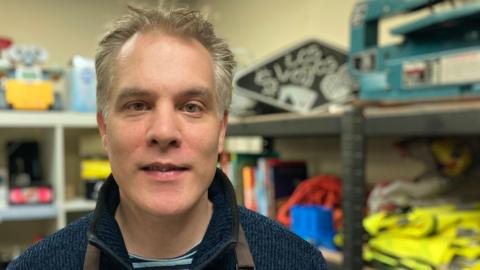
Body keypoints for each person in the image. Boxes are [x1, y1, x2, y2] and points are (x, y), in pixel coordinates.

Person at [8, 6, 327, 270]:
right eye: (137, 105)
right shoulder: (37, 265)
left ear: (221, 130)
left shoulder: (298, 262)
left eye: (191, 107)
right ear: (104, 129)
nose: (164, 132)